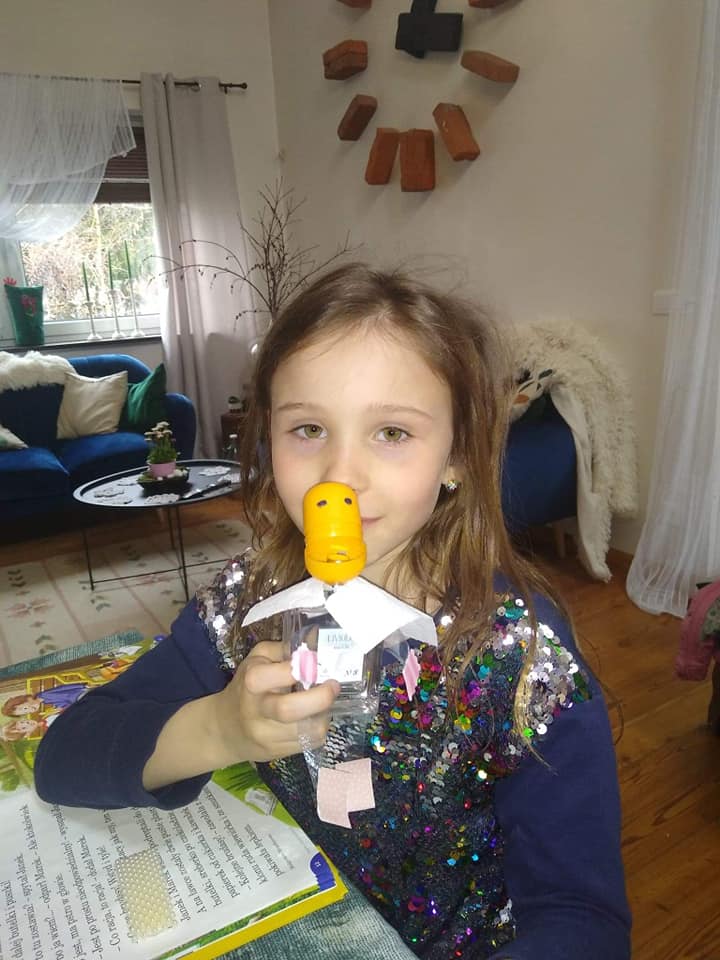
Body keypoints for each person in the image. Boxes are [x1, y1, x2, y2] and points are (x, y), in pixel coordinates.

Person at [34, 264, 631, 960]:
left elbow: (581, 918)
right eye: (310, 428)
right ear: (268, 441)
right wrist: (219, 728)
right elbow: (65, 756)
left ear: (458, 457)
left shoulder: (521, 660)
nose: (340, 476)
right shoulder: (247, 605)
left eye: (392, 432)